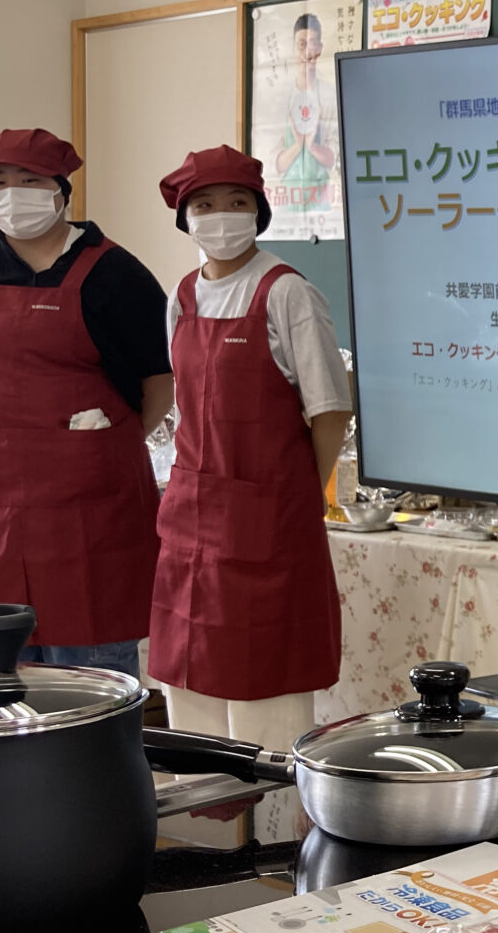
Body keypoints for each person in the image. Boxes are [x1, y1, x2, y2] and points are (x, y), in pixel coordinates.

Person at [0, 128, 168, 675]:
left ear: (61, 191)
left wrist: (98, 444)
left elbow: (158, 383)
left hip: (91, 511)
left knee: (90, 682)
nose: (12, 193)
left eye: (30, 181)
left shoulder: (116, 274)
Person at [149, 146, 350, 807]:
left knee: (266, 696)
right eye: (205, 205)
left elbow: (329, 409)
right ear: (186, 217)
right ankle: (202, 833)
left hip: (268, 525)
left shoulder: (286, 291)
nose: (221, 216)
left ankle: (274, 839)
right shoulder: (182, 295)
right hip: (190, 521)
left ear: (260, 212)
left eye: (237, 203)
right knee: (191, 687)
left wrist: (296, 498)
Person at [275, 13, 337, 191]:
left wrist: (312, 147)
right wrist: (298, 146)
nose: (307, 52)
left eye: (312, 44)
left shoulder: (330, 95)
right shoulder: (281, 97)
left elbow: (334, 157)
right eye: (301, 44)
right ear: (293, 48)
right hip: (286, 195)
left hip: (322, 193)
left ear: (320, 48)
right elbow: (274, 164)